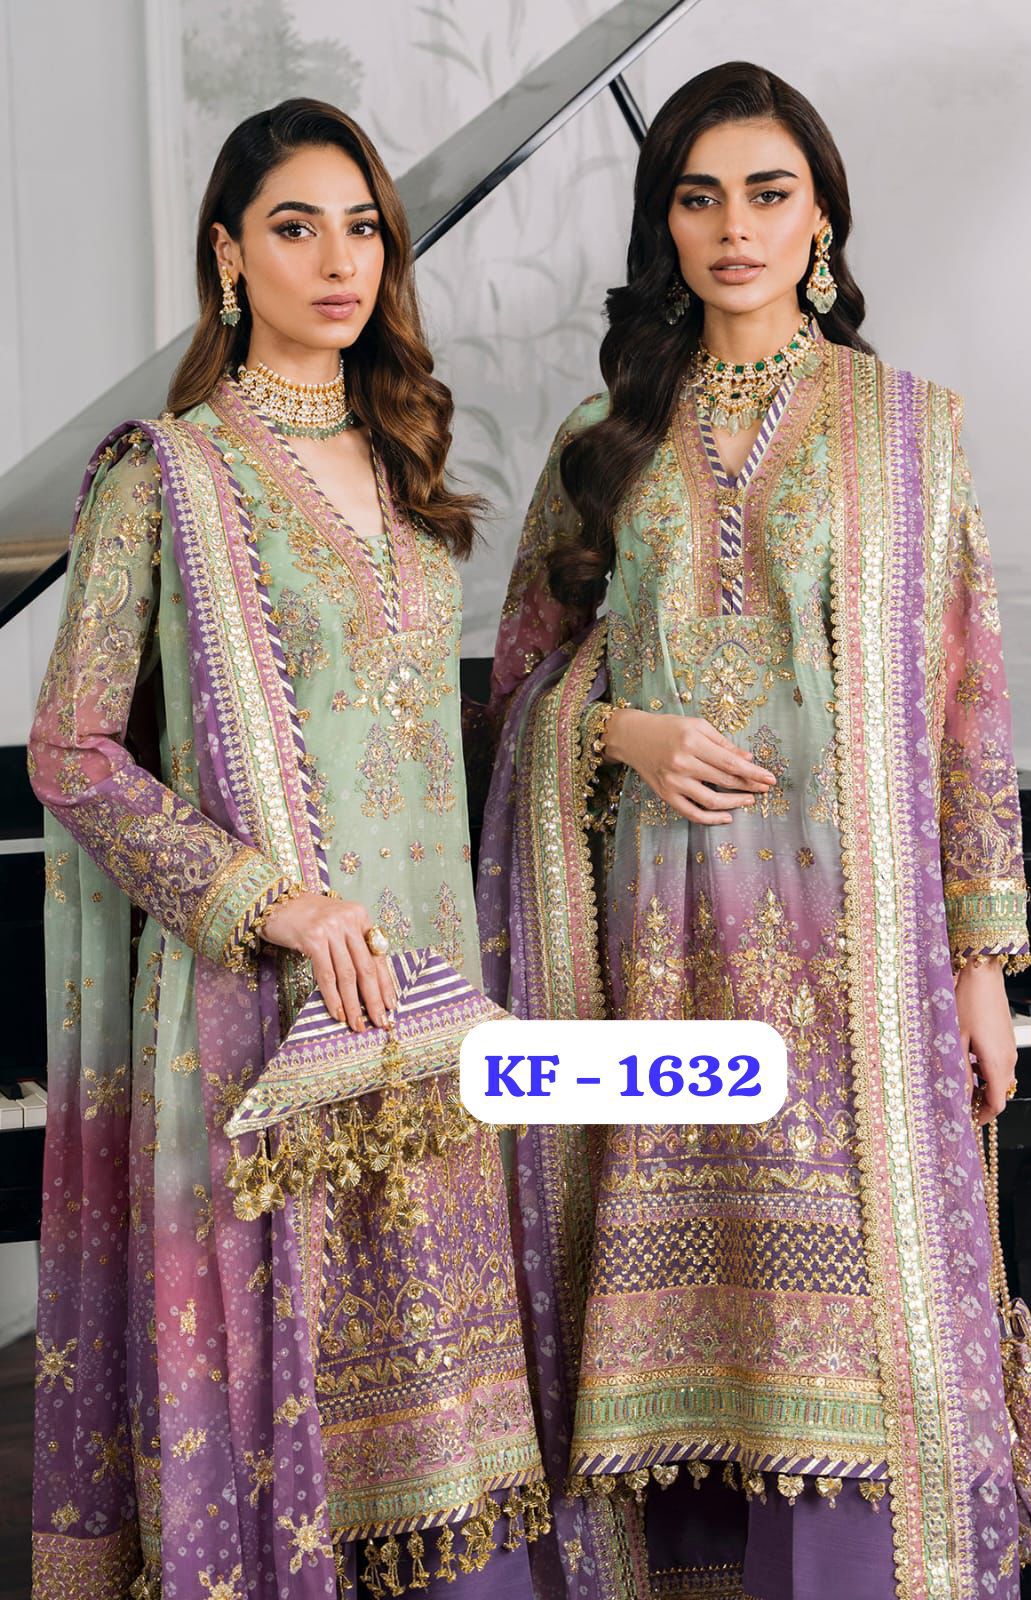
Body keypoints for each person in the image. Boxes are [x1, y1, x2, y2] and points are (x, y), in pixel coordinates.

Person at [479, 61, 1031, 1600]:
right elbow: (516, 690)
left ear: (821, 221)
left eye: (767, 194)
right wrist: (618, 730)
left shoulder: (905, 431)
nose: (734, 228)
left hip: (851, 970)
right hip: (649, 974)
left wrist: (980, 966)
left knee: (850, 1344)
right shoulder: (603, 439)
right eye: (698, 197)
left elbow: (965, 706)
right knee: (677, 1353)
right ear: (664, 226)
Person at [29, 99, 546, 1600]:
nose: (337, 261)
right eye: (294, 227)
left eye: (362, 228)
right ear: (227, 254)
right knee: (285, 1406)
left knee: (436, 1436)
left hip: (424, 1012)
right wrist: (270, 904)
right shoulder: (164, 475)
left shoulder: (410, 467)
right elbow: (70, 747)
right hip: (254, 1011)